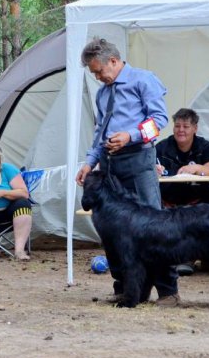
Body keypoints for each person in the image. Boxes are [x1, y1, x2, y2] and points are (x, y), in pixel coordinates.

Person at [74, 37, 180, 307]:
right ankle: (126, 289)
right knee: (112, 230)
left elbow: (159, 122)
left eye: (99, 70)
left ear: (113, 60)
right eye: (93, 73)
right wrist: (89, 162)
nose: (98, 77)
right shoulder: (103, 93)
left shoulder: (144, 80)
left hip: (138, 163)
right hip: (109, 168)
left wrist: (130, 135)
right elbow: (100, 133)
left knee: (153, 227)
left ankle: (168, 291)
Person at [155, 108, 209, 275]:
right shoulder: (161, 147)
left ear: (195, 128)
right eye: (177, 126)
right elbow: (149, 168)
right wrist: (155, 169)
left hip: (199, 200)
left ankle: (198, 257)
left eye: (185, 126)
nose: (181, 130)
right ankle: (175, 259)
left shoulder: (205, 146)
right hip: (169, 201)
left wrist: (197, 168)